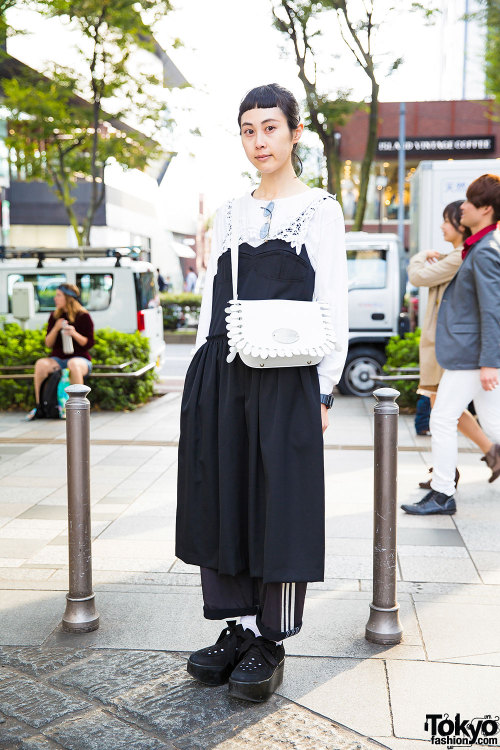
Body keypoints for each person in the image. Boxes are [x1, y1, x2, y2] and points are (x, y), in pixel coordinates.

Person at [175, 83, 348, 701]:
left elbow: (332, 301)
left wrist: (325, 390)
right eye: (248, 129)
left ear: (294, 133)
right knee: (225, 496)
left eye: (270, 128)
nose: (259, 141)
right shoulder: (228, 211)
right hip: (224, 371)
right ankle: (237, 629)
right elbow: (209, 300)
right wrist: (200, 370)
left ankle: (270, 639)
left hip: (286, 376)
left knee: (278, 502)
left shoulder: (320, 210)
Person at [402, 174, 500, 516]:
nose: (464, 207)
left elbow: (492, 308)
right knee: (494, 423)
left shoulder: (485, 251)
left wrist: (490, 360)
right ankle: (442, 491)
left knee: (443, 418)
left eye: (470, 203)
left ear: (485, 209)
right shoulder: (479, 246)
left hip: (472, 357)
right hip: (472, 355)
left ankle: (443, 493)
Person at [408, 200, 490, 484]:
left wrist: (421, 255)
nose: (442, 226)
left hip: (447, 346)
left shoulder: (461, 257)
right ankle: (447, 471)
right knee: (443, 408)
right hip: (443, 344)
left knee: (442, 410)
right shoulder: (457, 255)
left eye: (447, 220)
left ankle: (486, 455)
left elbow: (418, 276)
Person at [27, 284, 95, 420]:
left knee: (73, 364)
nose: (55, 298)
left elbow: (88, 343)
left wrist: (74, 333)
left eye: (58, 295)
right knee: (41, 364)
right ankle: (41, 407)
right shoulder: (54, 316)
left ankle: (78, 409)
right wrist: (56, 328)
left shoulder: (83, 316)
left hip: (80, 359)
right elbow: (48, 344)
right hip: (58, 359)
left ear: (68, 298)